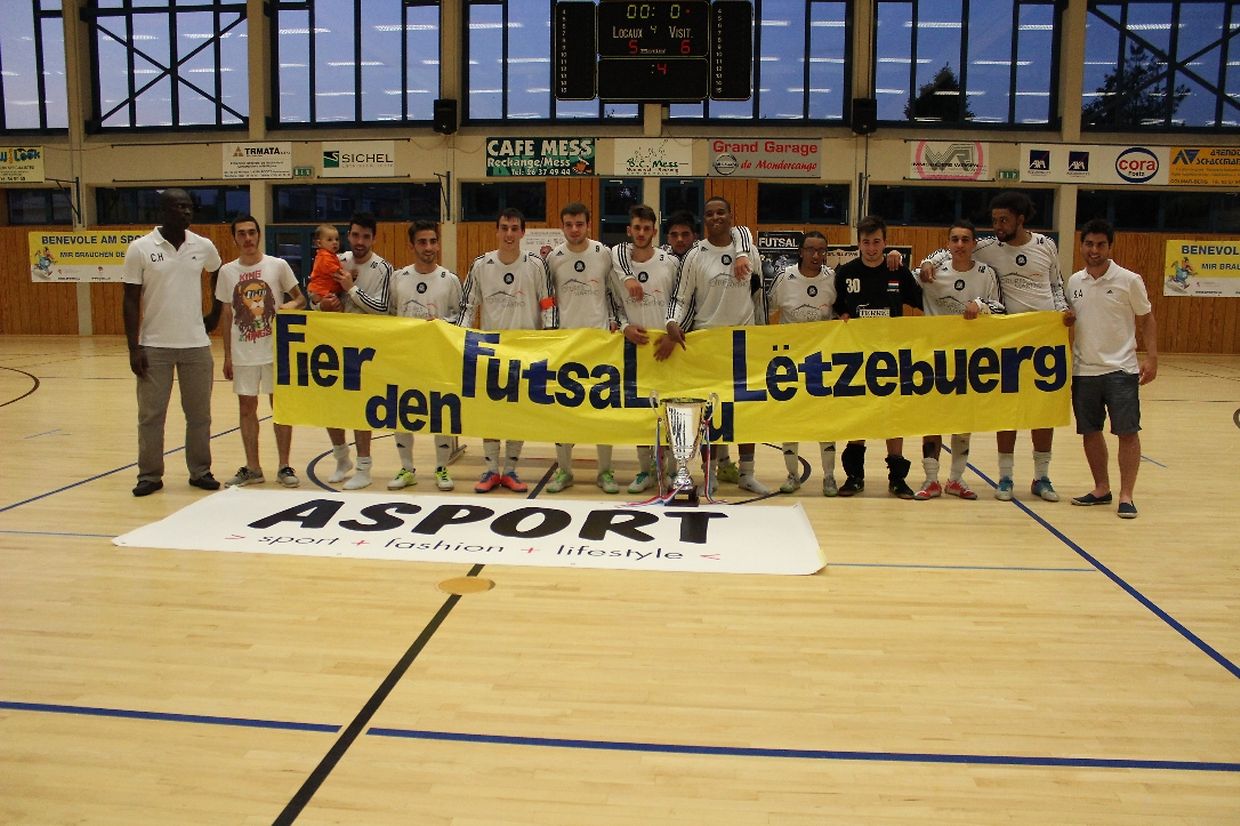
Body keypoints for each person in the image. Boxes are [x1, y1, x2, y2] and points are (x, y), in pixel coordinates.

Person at [918, 191, 1067, 502]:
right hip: (1007, 339)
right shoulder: (988, 247)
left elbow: (1057, 284)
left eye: (1004, 220)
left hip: (1043, 337)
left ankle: (1042, 477)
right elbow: (951, 251)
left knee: (1043, 411)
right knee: (1008, 410)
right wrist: (927, 260)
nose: (997, 226)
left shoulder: (1046, 246)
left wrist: (1063, 311)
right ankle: (1006, 477)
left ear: (1020, 220)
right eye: (994, 220)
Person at [657, 195, 772, 496]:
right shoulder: (695, 255)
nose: (716, 217)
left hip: (744, 339)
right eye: (710, 213)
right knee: (713, 413)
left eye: (721, 212)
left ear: (731, 216)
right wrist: (672, 323)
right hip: (708, 340)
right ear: (704, 220)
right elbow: (680, 299)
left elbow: (760, 295)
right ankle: (711, 474)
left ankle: (747, 472)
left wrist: (763, 332)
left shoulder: (748, 250)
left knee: (747, 409)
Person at [121, 189, 223, 497]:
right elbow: (129, 298)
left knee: (199, 415)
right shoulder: (139, 249)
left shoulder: (203, 245)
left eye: (189, 207)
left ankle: (200, 471)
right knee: (151, 415)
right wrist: (134, 346)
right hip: (154, 345)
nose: (186, 212)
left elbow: (218, 272)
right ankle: (150, 475)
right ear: (162, 212)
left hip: (196, 344)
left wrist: (215, 312)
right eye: (179, 207)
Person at [454, 207, 556, 493]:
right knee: (491, 410)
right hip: (489, 349)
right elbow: (468, 305)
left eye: (514, 228)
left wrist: (548, 340)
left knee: (516, 411)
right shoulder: (481, 264)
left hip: (525, 351)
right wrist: (457, 338)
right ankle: (490, 469)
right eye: (504, 228)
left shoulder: (536, 264)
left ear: (523, 232)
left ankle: (510, 469)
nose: (509, 234)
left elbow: (547, 304)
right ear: (497, 231)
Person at [1064, 219, 1157, 519]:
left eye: (1101, 244)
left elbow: (1146, 318)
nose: (1094, 250)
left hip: (1121, 369)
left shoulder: (1129, 279)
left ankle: (1126, 495)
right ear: (1081, 246)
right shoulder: (1074, 282)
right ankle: (1101, 488)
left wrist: (1152, 357)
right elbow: (1070, 323)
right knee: (1090, 432)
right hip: (1083, 370)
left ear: (1110, 246)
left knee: (1127, 432)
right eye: (1089, 244)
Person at [912, 219, 1005, 501]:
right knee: (932, 421)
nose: (960, 245)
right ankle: (931, 480)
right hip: (933, 359)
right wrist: (900, 257)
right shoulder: (930, 272)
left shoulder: (987, 273)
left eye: (966, 240)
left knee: (963, 422)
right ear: (948, 244)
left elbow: (1001, 308)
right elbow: (903, 278)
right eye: (955, 240)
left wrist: (983, 306)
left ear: (974, 244)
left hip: (971, 359)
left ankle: (956, 479)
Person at [832, 215, 922, 499]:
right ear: (858, 243)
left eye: (877, 242)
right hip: (857, 356)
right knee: (859, 416)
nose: (871, 248)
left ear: (885, 242)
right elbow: (835, 307)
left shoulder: (898, 271)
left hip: (892, 357)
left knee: (892, 417)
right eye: (866, 242)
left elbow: (925, 303)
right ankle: (854, 477)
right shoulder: (846, 273)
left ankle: (897, 480)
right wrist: (841, 314)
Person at [215, 215, 306, 488]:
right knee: (246, 407)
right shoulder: (227, 272)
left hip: (274, 350)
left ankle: (284, 465)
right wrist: (227, 355)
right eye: (241, 234)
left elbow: (300, 299)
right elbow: (227, 312)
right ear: (234, 238)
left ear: (258, 235)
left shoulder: (277, 266)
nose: (247, 238)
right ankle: (253, 467)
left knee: (280, 408)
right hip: (243, 353)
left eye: (252, 232)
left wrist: (285, 308)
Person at [544, 202, 623, 494]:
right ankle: (565, 471)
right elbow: (547, 298)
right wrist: (551, 331)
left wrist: (615, 321)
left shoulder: (604, 254)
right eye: (569, 224)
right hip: (566, 345)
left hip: (600, 344)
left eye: (579, 223)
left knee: (602, 410)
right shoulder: (554, 257)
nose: (574, 229)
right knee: (564, 411)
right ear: (562, 226)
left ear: (589, 224)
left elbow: (614, 293)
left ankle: (605, 472)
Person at [318, 212, 393, 490]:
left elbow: (383, 307)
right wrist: (323, 304)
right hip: (334, 343)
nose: (359, 241)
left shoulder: (383, 268)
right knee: (331, 407)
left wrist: (351, 289)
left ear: (373, 238)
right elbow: (318, 294)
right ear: (348, 235)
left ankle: (364, 467)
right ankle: (341, 459)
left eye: (365, 236)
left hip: (366, 347)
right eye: (355, 235)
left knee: (362, 408)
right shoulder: (336, 261)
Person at [387, 220, 462, 492]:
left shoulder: (449, 280)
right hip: (406, 358)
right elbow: (389, 314)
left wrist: (441, 324)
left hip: (438, 359)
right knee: (402, 413)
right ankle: (407, 468)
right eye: (422, 242)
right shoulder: (398, 278)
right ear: (411, 245)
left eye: (433, 241)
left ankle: (442, 468)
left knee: (441, 413)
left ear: (438, 243)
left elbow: (461, 318)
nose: (428, 247)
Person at [611, 204, 680, 494]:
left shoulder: (670, 263)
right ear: (630, 230)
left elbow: (682, 299)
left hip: (669, 349)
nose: (641, 233)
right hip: (636, 348)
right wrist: (625, 326)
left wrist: (673, 336)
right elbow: (612, 304)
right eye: (636, 228)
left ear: (654, 231)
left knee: (672, 410)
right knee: (641, 413)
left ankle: (677, 470)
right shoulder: (617, 266)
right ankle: (645, 471)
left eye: (646, 228)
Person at [767, 231, 841, 496]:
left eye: (822, 250)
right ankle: (791, 474)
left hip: (822, 360)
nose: (816, 255)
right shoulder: (785, 278)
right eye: (811, 249)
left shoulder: (833, 279)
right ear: (801, 251)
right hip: (789, 360)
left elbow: (843, 313)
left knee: (825, 421)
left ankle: (829, 476)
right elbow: (765, 309)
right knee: (791, 419)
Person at [306, 224, 345, 307]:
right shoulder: (324, 256)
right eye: (329, 240)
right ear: (319, 243)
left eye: (337, 239)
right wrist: (349, 274)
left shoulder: (331, 255)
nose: (335, 242)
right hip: (320, 290)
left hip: (321, 290)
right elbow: (336, 272)